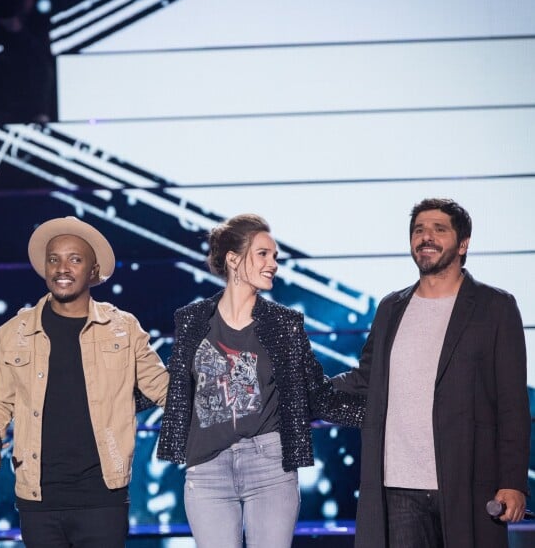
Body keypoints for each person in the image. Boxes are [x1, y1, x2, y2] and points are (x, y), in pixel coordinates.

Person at [157, 213, 365, 548]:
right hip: (207, 469)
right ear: (233, 259)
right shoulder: (191, 320)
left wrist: (381, 414)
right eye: (263, 254)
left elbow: (319, 395)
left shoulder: (285, 324)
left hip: (269, 465)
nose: (273, 264)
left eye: (275, 257)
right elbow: (174, 388)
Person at [333, 198, 530, 548]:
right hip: (398, 488)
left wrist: (513, 481)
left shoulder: (495, 307)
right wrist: (307, 390)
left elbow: (513, 404)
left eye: (439, 229)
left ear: (463, 243)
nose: (427, 237)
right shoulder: (391, 307)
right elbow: (366, 379)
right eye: (419, 230)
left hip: (467, 482)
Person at [0, 216, 169, 548]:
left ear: (92, 271)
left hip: (102, 496)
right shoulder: (14, 333)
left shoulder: (123, 328)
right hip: (38, 498)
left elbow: (166, 391)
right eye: (54, 259)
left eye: (74, 259)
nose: (62, 268)